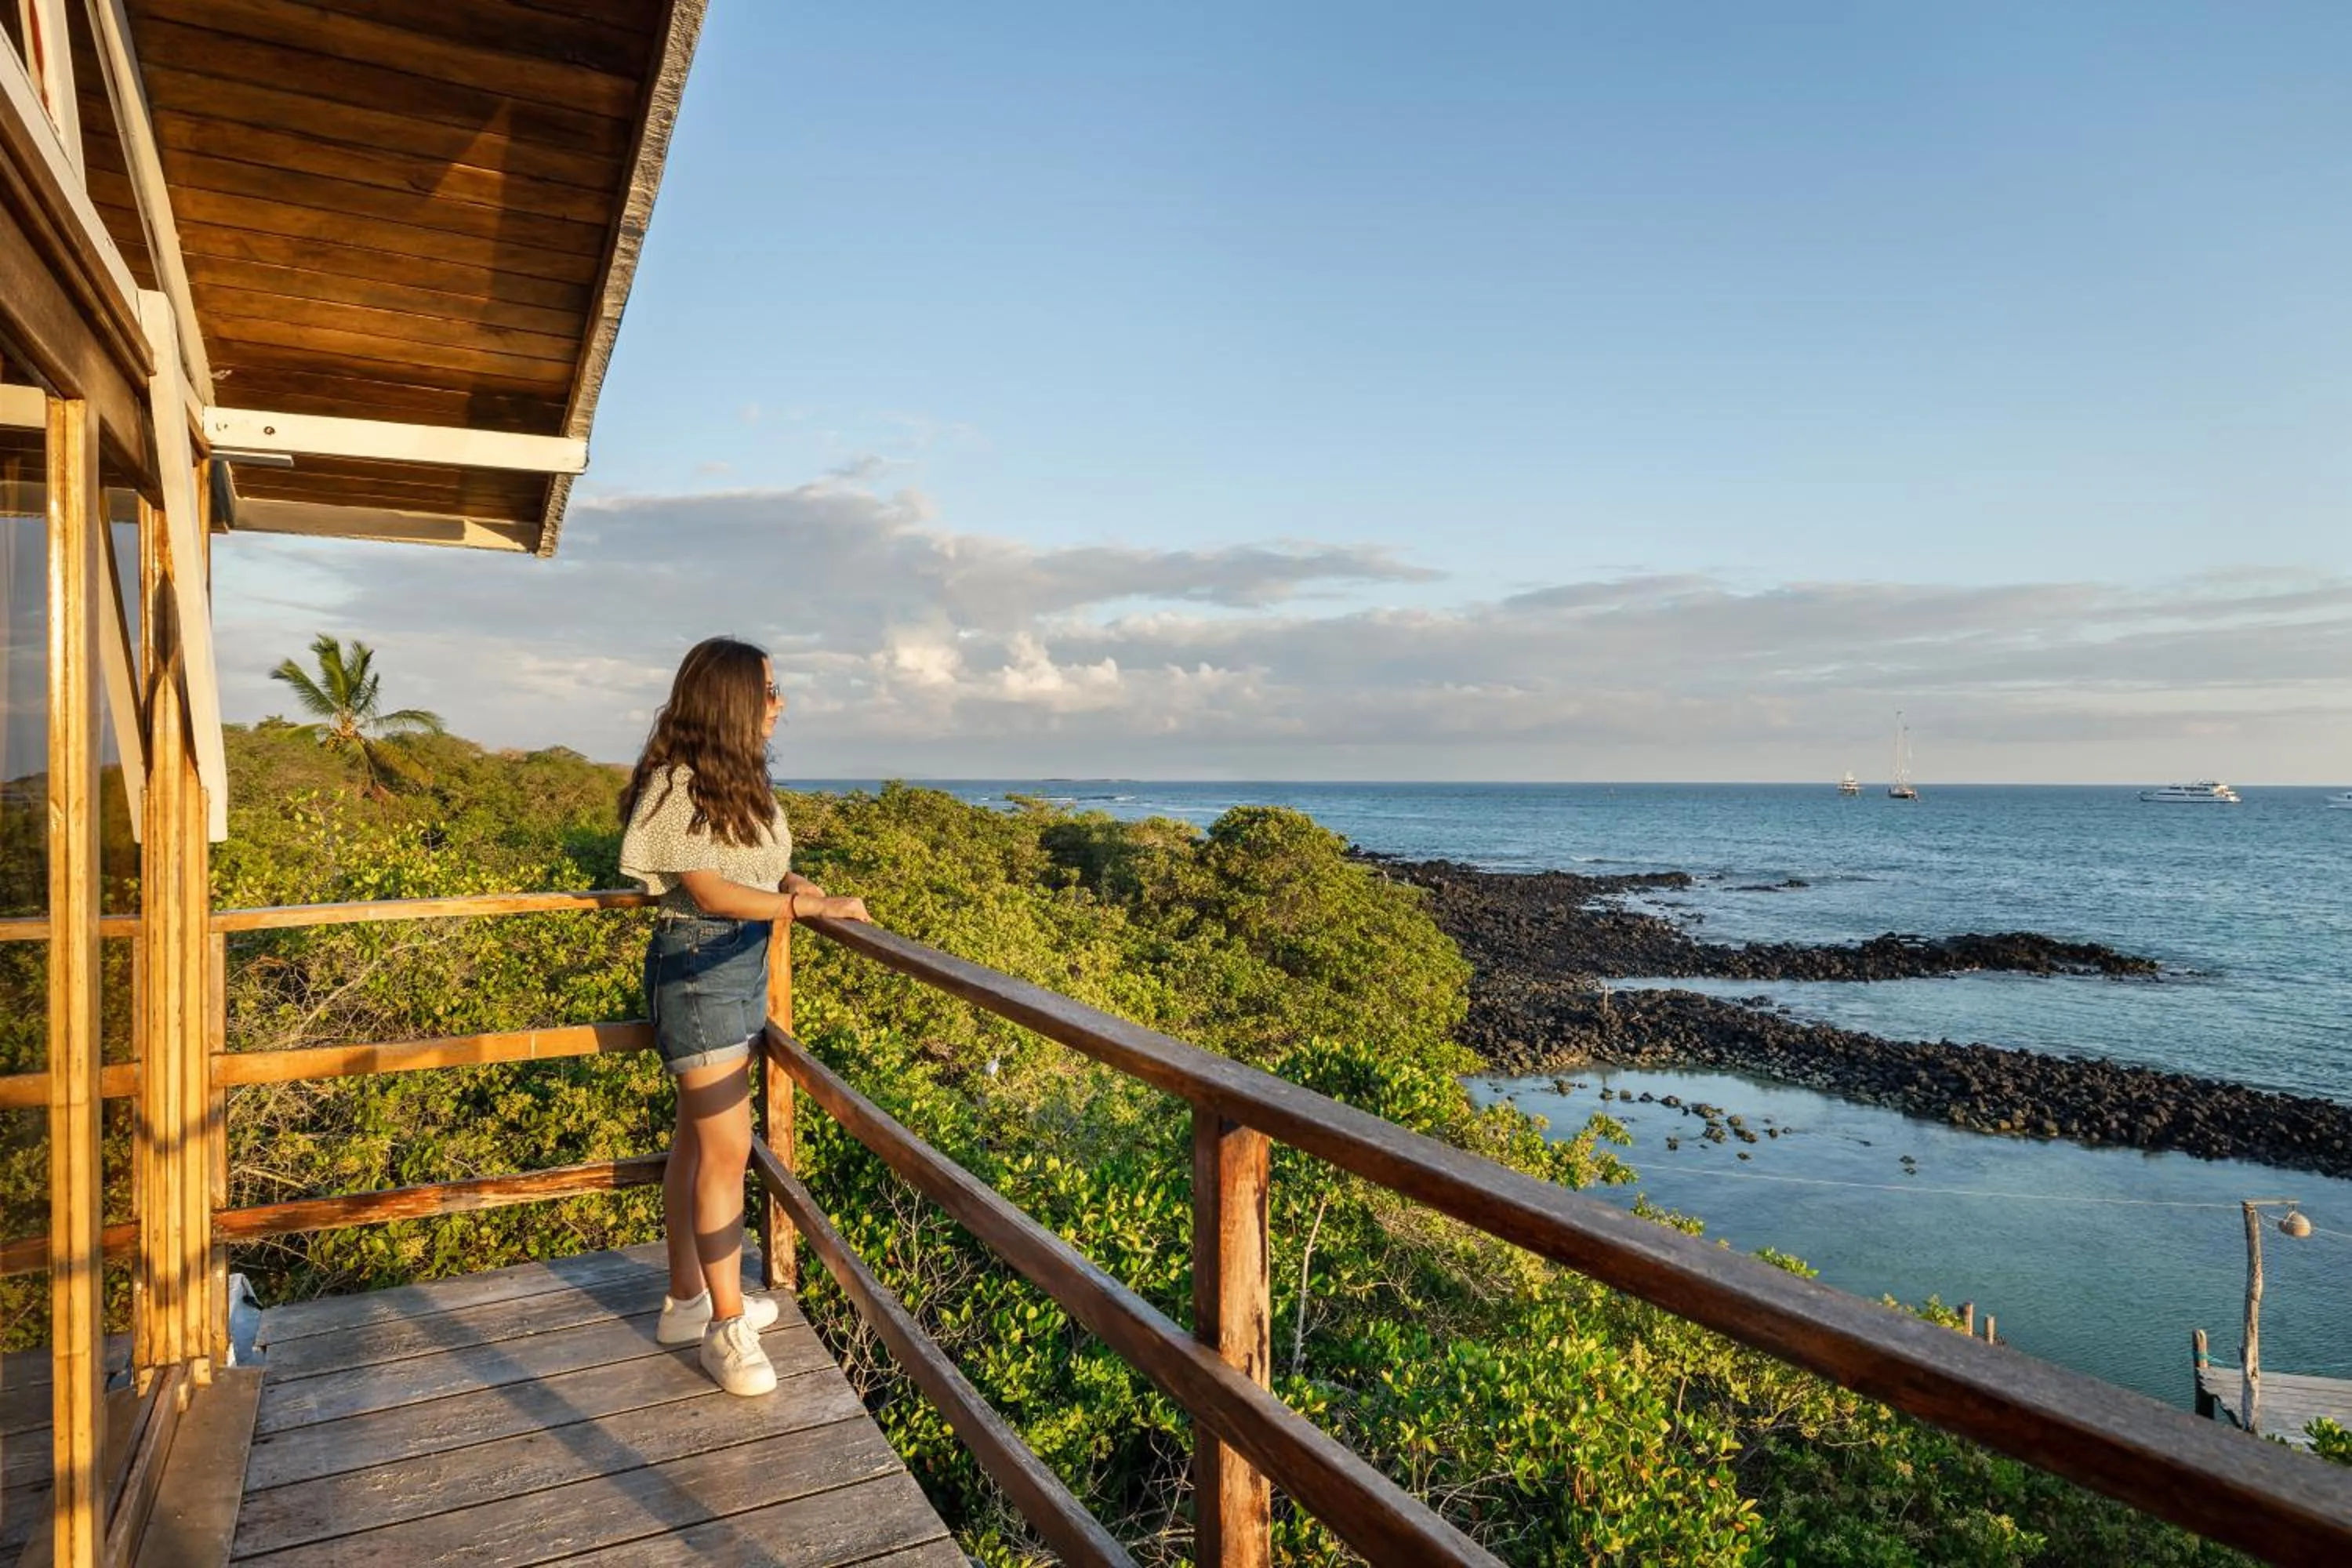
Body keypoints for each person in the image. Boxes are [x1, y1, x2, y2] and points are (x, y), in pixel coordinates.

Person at [619, 637, 869, 1395]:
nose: (778, 702)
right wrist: (805, 908)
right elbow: (710, 890)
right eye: (767, 690)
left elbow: (756, 868)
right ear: (729, 699)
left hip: (737, 964)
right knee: (727, 1151)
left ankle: (686, 1302)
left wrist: (794, 883)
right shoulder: (679, 784)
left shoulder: (737, 779)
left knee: (698, 1145)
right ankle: (725, 1325)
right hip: (699, 968)